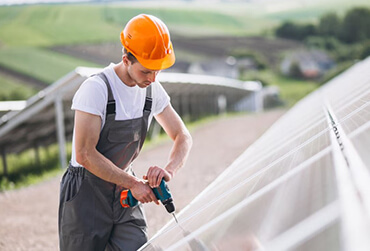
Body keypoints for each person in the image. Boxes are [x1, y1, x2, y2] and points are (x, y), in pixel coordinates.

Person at [58, 14, 192, 251]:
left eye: (157, 72)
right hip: (86, 193)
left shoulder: (153, 91)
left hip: (123, 191)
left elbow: (183, 136)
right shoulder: (96, 89)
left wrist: (168, 170)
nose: (152, 79)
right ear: (127, 59)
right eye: (146, 72)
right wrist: (132, 183)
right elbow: (84, 154)